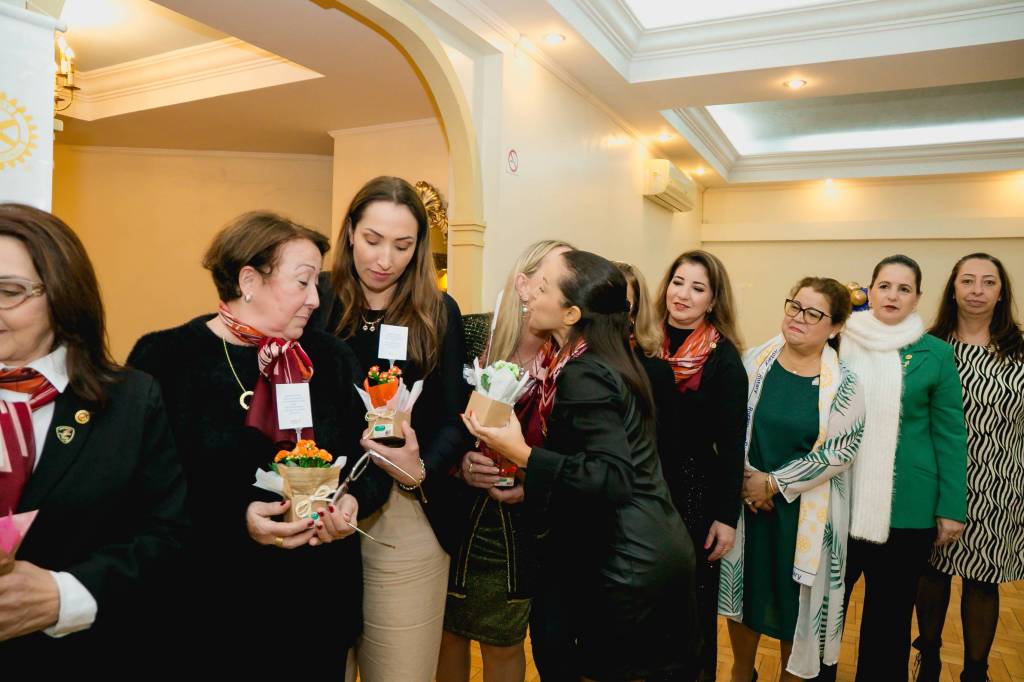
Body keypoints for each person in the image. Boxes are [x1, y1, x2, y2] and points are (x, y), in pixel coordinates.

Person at [128, 211, 368, 673]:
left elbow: (366, 457)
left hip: (315, 606)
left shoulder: (331, 359)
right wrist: (235, 519)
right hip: (209, 605)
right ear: (249, 281)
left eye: (316, 283)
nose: (316, 299)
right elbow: (146, 486)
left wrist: (355, 498)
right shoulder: (166, 359)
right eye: (303, 282)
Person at [465, 249, 698, 681]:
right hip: (647, 545)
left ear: (571, 313)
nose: (530, 293)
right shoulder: (603, 358)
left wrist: (520, 453)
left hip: (626, 561)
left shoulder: (583, 372)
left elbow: (610, 476)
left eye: (543, 287)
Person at [0, 203, 187, 662]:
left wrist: (66, 596)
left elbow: (166, 537)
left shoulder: (131, 402)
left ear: (63, 294)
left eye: (8, 291)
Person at [312, 176, 471, 681]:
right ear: (350, 232)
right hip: (320, 502)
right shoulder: (315, 299)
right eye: (372, 240)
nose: (385, 260)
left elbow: (456, 417)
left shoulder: (437, 310)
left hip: (404, 514)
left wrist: (419, 468)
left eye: (402, 246)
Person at [826, 254, 967, 682]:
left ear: (917, 298)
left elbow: (950, 434)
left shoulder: (936, 353)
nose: (893, 295)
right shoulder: (839, 341)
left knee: (888, 620)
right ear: (870, 291)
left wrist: (951, 507)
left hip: (907, 509)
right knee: (824, 612)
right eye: (885, 286)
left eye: (904, 289)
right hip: (838, 498)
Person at [439, 240, 573, 682]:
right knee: (447, 635)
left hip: (520, 529)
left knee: (503, 640)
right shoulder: (474, 334)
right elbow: (441, 412)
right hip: (455, 517)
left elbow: (575, 448)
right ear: (524, 284)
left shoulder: (569, 357)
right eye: (554, 282)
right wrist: (460, 462)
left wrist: (532, 481)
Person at [718, 277, 864, 681]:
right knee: (746, 596)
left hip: (804, 516)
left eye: (814, 313)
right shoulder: (751, 362)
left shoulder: (846, 384)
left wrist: (773, 483)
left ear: (835, 327)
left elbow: (840, 451)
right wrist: (749, 482)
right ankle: (742, 672)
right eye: (795, 307)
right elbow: (728, 425)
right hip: (749, 508)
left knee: (798, 607)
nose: (799, 317)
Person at [913, 253, 1024, 682]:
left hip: (999, 484)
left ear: (1002, 293)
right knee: (931, 575)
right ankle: (928, 659)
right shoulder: (929, 346)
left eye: (988, 282)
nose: (977, 290)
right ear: (953, 289)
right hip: (936, 481)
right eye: (968, 281)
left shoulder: (1019, 350)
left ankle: (975, 672)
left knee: (983, 581)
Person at [655, 250, 748, 680]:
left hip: (696, 495)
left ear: (712, 301)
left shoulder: (724, 359)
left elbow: (731, 445)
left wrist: (726, 517)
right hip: (646, 489)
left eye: (697, 288)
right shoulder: (643, 343)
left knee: (692, 609)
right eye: (678, 282)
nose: (683, 294)